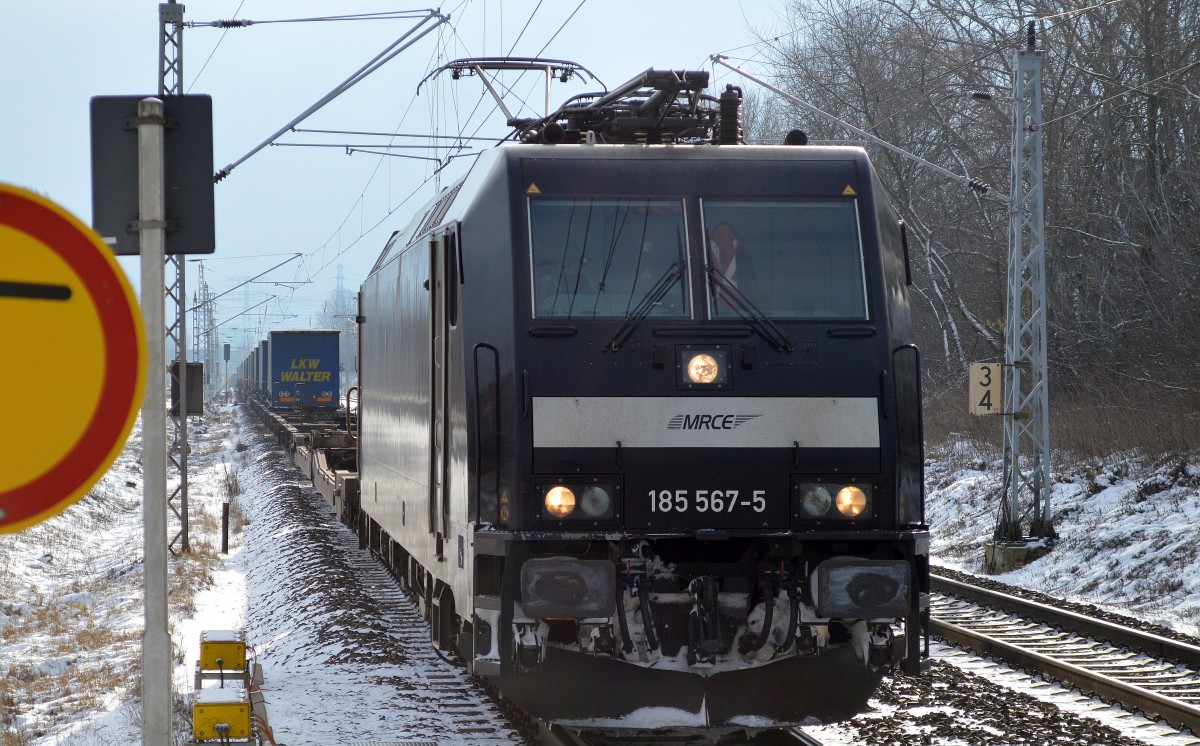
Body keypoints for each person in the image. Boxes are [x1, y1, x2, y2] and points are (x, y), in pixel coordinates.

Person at [709, 223, 759, 303]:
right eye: (721, 239)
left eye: (730, 239)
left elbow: (755, 301)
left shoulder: (745, 267)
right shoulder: (706, 267)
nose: (726, 243)